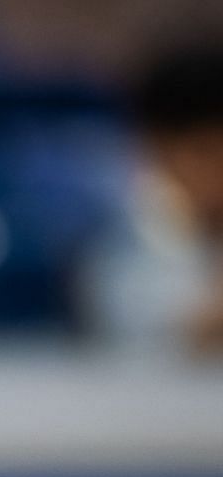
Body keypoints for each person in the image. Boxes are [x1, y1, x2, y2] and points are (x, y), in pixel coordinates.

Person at [78, 38, 223, 357]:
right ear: (156, 151)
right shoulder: (127, 244)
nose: (217, 171)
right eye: (205, 152)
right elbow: (159, 324)